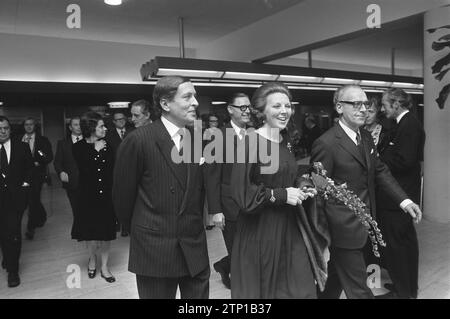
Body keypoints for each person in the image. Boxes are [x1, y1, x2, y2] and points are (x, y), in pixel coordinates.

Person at [310, 84, 423, 299]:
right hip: (343, 230)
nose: (363, 109)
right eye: (356, 104)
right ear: (339, 107)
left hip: (367, 225)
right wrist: (325, 234)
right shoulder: (326, 143)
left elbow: (380, 171)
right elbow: (320, 192)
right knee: (360, 290)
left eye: (366, 104)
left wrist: (405, 201)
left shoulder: (366, 137)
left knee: (334, 278)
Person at [113, 76, 212, 299]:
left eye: (195, 96)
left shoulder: (195, 139)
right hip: (155, 248)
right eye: (187, 96)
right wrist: (145, 230)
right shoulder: (139, 140)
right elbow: (122, 196)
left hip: (194, 245)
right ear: (165, 104)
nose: (195, 102)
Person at [229, 83, 318, 299]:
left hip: (289, 228)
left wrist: (302, 185)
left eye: (287, 105)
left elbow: (289, 175)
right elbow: (243, 194)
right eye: (276, 105)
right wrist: (282, 194)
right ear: (261, 111)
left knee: (301, 288)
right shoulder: (250, 142)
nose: (284, 110)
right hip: (261, 233)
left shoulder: (285, 140)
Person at [377, 88, 425, 299]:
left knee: (399, 246)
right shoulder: (402, 124)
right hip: (399, 196)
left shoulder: (409, 126)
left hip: (400, 197)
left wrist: (377, 161)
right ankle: (403, 286)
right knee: (401, 244)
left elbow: (405, 161)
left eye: (385, 104)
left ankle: (406, 292)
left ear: (397, 104)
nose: (382, 108)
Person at [208, 93, 251, 289]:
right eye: (241, 107)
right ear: (230, 109)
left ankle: (223, 265)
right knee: (236, 250)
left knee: (250, 249)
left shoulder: (255, 134)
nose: (246, 111)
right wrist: (216, 210)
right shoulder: (218, 137)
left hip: (253, 203)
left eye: (248, 107)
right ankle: (230, 272)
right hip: (230, 205)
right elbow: (212, 176)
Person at [72, 112, 117, 283]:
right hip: (87, 197)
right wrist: (95, 152)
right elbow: (85, 171)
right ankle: (92, 259)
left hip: (106, 196)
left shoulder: (108, 146)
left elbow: (111, 171)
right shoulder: (78, 147)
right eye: (101, 126)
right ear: (91, 128)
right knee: (90, 234)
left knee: (106, 234)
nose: (105, 128)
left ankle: (105, 267)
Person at [0, 116, 33, 288]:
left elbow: (30, 169)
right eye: (0, 128)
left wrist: (25, 185)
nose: (3, 131)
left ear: (10, 129)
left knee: (13, 233)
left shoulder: (22, 147)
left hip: (15, 199)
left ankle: (13, 270)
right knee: (3, 233)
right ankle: (6, 256)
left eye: (5, 128)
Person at [22, 117, 53, 240]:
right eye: (26, 124)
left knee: (33, 199)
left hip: (36, 175)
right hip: (22, 175)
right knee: (31, 199)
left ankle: (31, 228)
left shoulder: (43, 140)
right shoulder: (17, 139)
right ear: (23, 126)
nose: (29, 126)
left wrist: (39, 160)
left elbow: (48, 157)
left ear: (35, 126)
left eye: (31, 124)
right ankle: (42, 216)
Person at [105, 110, 133, 237]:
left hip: (132, 171)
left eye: (122, 119)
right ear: (113, 122)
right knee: (116, 199)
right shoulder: (108, 135)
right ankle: (117, 223)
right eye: (117, 120)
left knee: (130, 199)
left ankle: (126, 226)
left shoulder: (134, 131)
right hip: (114, 172)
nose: (120, 121)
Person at [54, 117, 82, 225]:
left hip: (88, 181)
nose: (78, 127)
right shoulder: (63, 143)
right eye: (75, 125)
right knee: (76, 207)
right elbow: (57, 162)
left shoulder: (90, 141)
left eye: (80, 124)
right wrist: (61, 172)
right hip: (72, 181)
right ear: (70, 127)